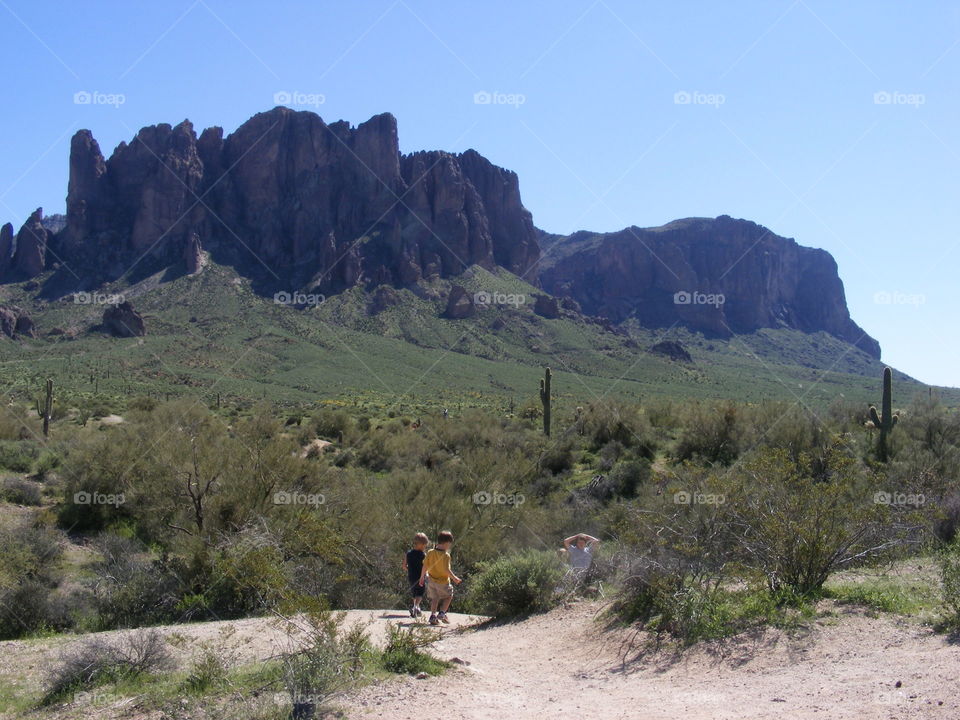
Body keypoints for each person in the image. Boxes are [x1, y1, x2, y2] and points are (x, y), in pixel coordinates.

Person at [419, 530, 462, 625]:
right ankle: (442, 613)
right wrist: (454, 578)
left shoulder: (430, 552)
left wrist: (422, 577)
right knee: (449, 596)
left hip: (431, 580)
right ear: (446, 543)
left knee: (435, 598)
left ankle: (433, 616)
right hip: (443, 581)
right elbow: (447, 570)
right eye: (449, 544)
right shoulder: (446, 555)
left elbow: (425, 566)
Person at [402, 532, 429, 618]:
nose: (425, 546)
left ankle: (416, 608)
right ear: (420, 544)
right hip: (420, 577)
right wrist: (426, 574)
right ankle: (416, 606)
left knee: (414, 593)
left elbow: (404, 566)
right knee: (420, 593)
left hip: (411, 577)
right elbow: (426, 566)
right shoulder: (423, 555)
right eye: (424, 544)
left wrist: (409, 570)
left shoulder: (409, 553)